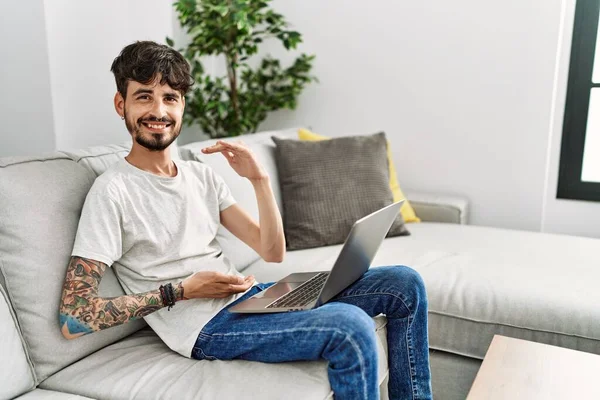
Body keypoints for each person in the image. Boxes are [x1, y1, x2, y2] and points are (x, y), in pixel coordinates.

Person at [58, 40, 432, 400]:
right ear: (120, 104)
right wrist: (182, 291)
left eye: (169, 97)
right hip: (204, 328)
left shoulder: (200, 175)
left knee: (404, 284)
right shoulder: (113, 191)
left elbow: (272, 251)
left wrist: (258, 179)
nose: (159, 111)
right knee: (350, 327)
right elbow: (75, 319)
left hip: (251, 297)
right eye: (144, 96)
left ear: (182, 105)